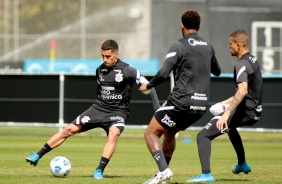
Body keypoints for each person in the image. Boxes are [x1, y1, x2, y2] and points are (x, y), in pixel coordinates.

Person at [25, 39, 160, 179]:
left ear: (116, 54)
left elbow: (149, 86)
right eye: (102, 56)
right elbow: (100, 91)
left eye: (108, 56)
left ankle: (99, 170)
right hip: (98, 108)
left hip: (118, 112)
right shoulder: (99, 70)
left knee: (113, 134)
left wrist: (157, 109)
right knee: (68, 130)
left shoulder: (128, 70)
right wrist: (97, 107)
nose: (105, 59)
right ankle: (38, 155)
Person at [140, 10, 221, 184]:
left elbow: (163, 73)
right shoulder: (208, 46)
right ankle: (161, 173)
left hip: (181, 101)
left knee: (151, 133)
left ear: (182, 26)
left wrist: (148, 85)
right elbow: (218, 71)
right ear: (199, 26)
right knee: (169, 133)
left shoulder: (178, 45)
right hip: (200, 106)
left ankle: (163, 170)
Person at [186, 30, 263, 182]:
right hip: (254, 111)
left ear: (239, 45)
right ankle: (242, 164)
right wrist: (225, 103)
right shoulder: (253, 60)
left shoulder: (241, 64)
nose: (229, 47)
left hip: (246, 112)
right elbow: (247, 92)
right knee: (231, 128)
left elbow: (242, 91)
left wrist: (226, 114)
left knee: (203, 135)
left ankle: (206, 174)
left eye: (231, 44)